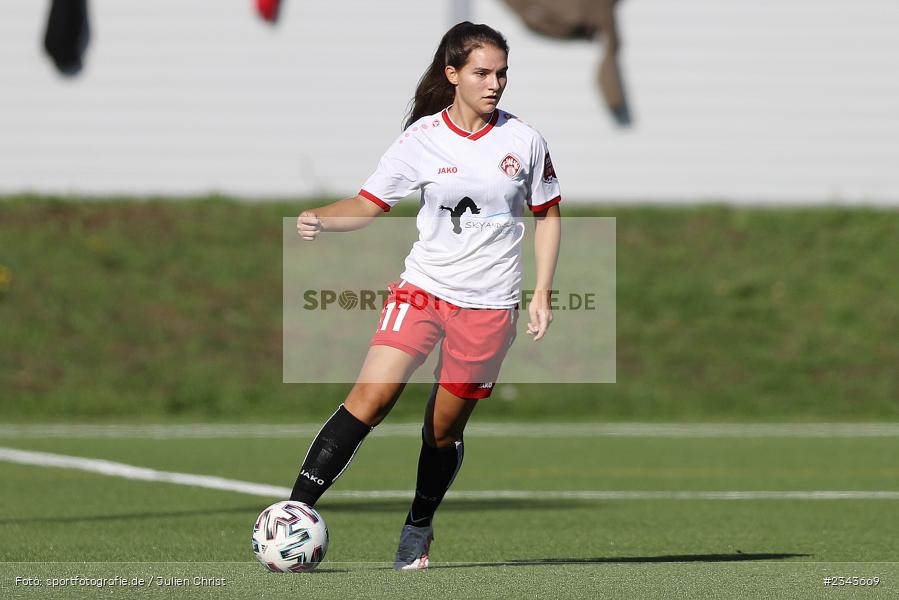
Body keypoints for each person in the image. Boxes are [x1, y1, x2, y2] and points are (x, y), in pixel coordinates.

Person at [290, 21, 561, 571]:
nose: (495, 84)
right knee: (370, 399)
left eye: (502, 73)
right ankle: (293, 513)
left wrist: (542, 292)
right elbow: (367, 204)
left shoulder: (524, 140)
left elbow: (548, 215)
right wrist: (321, 216)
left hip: (488, 307)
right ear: (453, 74)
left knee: (442, 430)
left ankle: (417, 526)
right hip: (423, 292)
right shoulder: (421, 139)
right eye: (482, 73)